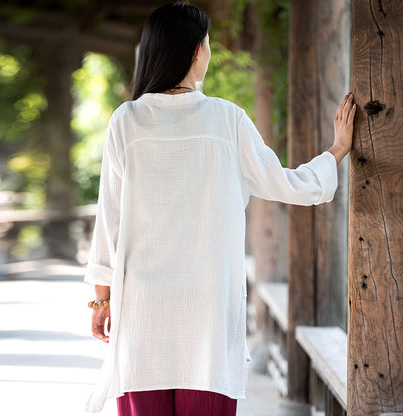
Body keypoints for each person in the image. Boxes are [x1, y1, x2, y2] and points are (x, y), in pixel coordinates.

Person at [83, 2, 356, 415]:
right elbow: (288, 184)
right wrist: (337, 149)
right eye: (207, 45)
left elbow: (109, 220)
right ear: (196, 51)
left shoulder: (127, 121)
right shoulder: (227, 120)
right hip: (208, 307)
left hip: (144, 308)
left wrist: (100, 300)